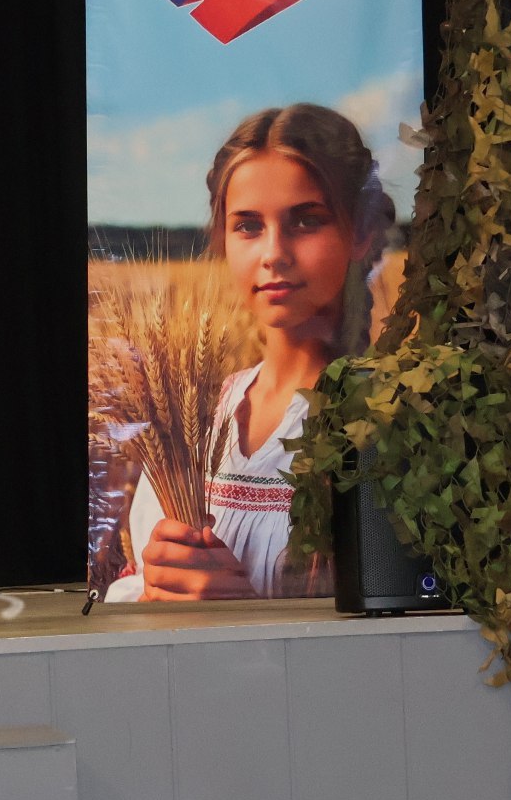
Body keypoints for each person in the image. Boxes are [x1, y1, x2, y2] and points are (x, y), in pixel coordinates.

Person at [117, 102, 395, 601]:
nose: (273, 254)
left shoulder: (387, 419)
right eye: (247, 226)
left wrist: (243, 618)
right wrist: (154, 592)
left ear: (361, 234)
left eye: (306, 221)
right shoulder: (195, 416)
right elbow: (137, 587)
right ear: (223, 240)